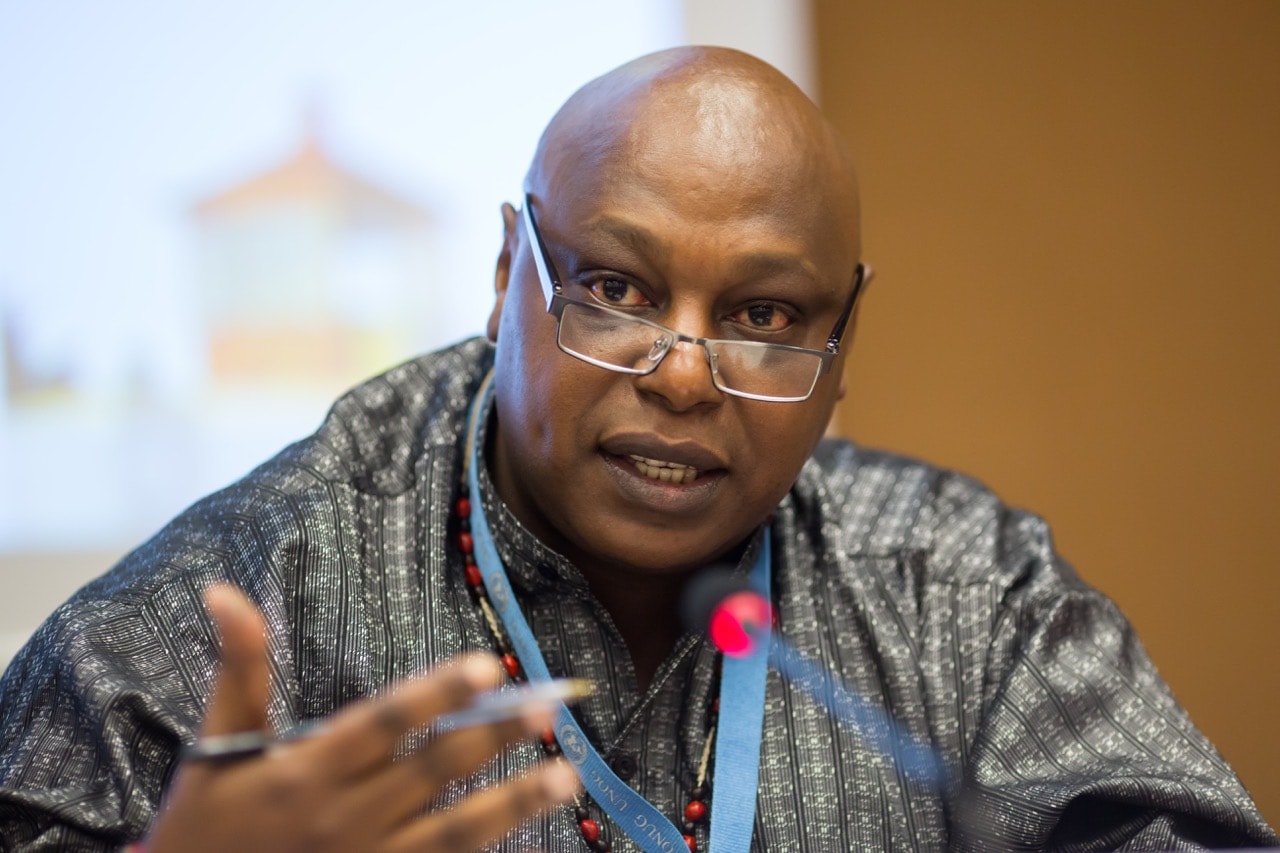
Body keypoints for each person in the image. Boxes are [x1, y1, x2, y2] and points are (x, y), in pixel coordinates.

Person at [0, 46, 1275, 852]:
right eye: (612, 289)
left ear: (843, 334)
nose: (678, 372)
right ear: (508, 269)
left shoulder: (963, 590)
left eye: (765, 317)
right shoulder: (228, 607)